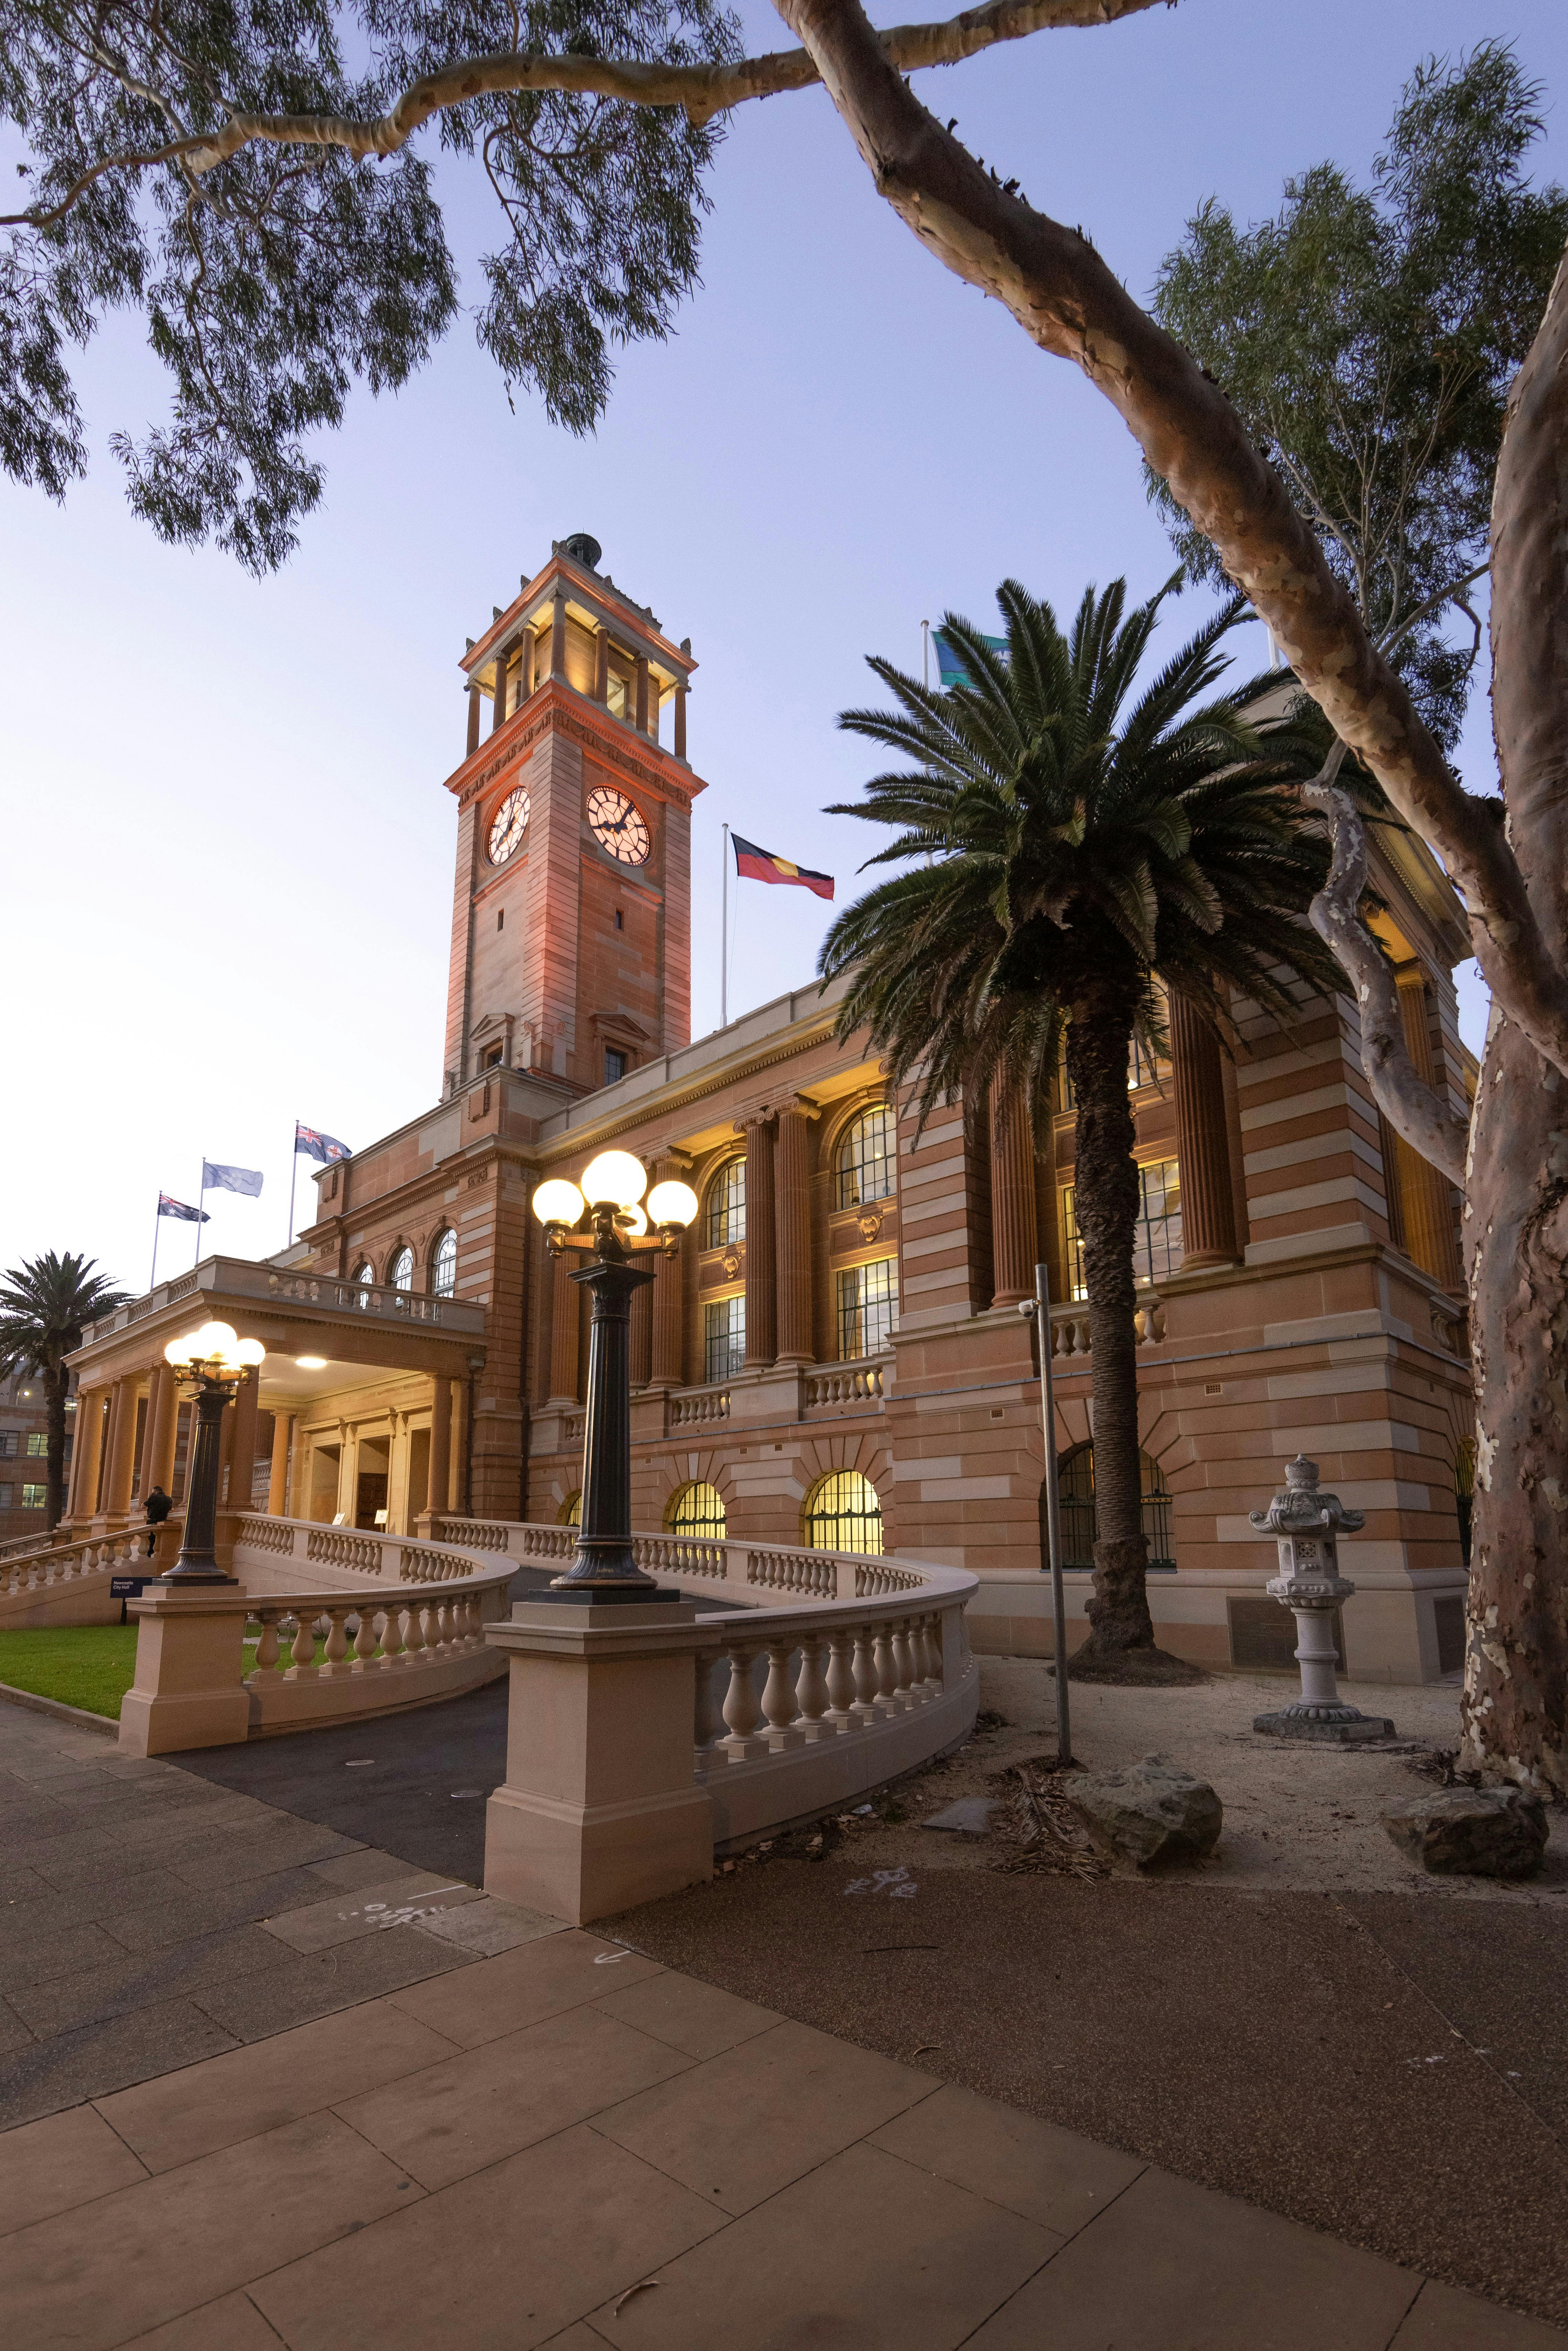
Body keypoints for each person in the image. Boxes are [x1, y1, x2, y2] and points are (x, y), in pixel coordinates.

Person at [143, 1483, 173, 1557]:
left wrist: (151, 1497)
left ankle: (150, 1552)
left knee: (151, 1538)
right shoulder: (169, 1499)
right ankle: (156, 1552)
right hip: (163, 1521)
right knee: (159, 1538)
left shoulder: (153, 1498)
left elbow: (142, 1506)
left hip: (152, 1520)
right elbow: (171, 1509)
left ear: (155, 1492)